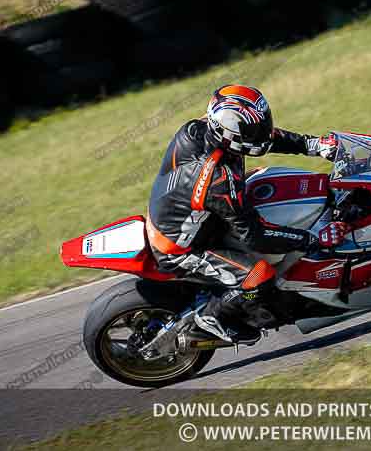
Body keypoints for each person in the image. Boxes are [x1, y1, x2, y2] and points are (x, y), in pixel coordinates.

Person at [146, 84, 350, 342]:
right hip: (180, 248)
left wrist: (312, 145)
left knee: (269, 182)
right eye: (254, 129)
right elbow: (257, 237)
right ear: (229, 132)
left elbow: (265, 138)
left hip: (185, 213)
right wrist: (314, 238)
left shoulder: (198, 129)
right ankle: (213, 316)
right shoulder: (219, 181)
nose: (263, 132)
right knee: (259, 274)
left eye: (262, 123)